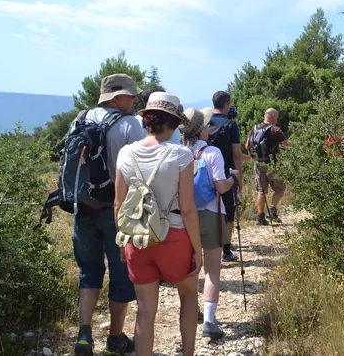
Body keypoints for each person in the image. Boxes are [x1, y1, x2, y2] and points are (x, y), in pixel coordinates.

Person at [114, 92, 203, 356]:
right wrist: (197, 250)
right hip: (174, 236)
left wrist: (121, 240)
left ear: (146, 121)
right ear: (174, 124)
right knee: (188, 297)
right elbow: (187, 209)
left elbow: (118, 204)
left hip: (136, 238)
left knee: (145, 310)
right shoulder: (181, 155)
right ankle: (187, 352)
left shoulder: (125, 153)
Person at [72, 74, 145, 356]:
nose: (135, 100)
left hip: (83, 208)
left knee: (88, 272)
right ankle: (115, 339)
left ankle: (84, 335)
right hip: (117, 210)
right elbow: (141, 171)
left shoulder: (80, 119)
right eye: (131, 95)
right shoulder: (130, 125)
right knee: (120, 274)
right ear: (116, 98)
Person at [181, 107, 240, 340]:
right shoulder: (212, 152)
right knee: (212, 270)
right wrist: (233, 177)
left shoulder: (178, 152)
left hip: (184, 217)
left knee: (189, 269)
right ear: (201, 130)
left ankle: (191, 311)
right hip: (211, 214)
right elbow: (220, 187)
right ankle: (209, 320)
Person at [207, 91, 243, 261]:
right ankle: (226, 250)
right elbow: (236, 154)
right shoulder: (231, 125)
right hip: (226, 173)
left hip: (205, 172)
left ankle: (208, 246)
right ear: (226, 104)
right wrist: (238, 176)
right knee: (229, 211)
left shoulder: (205, 121)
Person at [246, 108, 291, 225]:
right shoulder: (275, 130)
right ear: (272, 116)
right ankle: (272, 211)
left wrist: (255, 156)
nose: (277, 119)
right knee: (280, 188)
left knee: (261, 190)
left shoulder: (254, 128)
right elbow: (286, 144)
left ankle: (260, 217)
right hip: (272, 164)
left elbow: (247, 145)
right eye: (276, 117)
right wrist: (295, 143)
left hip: (258, 163)